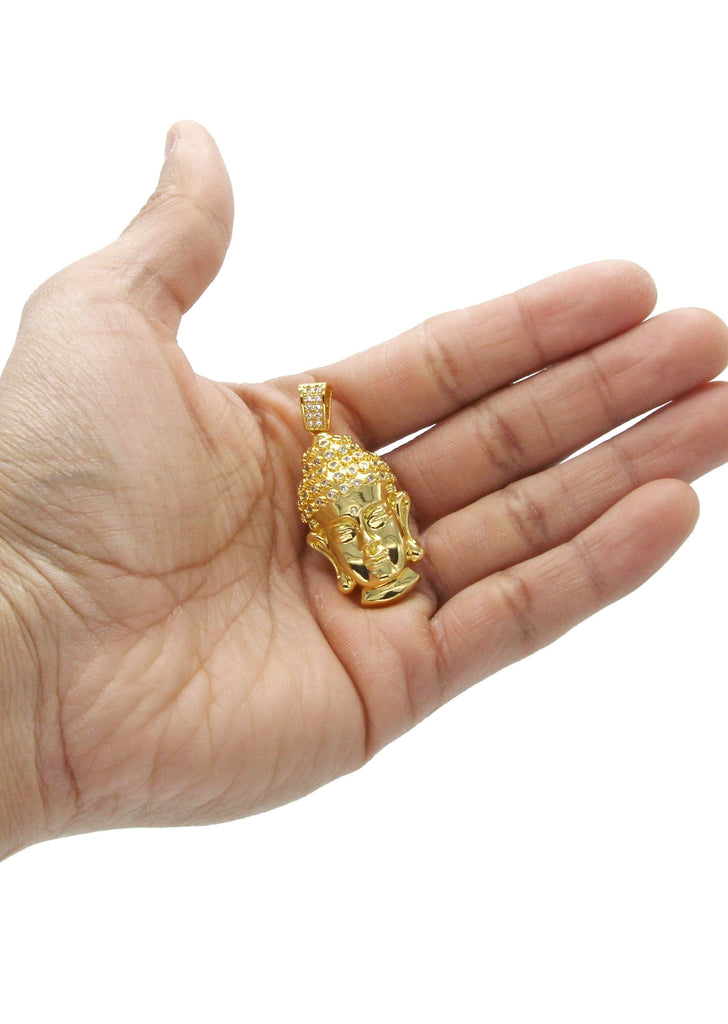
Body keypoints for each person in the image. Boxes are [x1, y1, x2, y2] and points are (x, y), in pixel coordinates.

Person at [0, 121, 726, 861]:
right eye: (349, 536)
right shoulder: (332, 539)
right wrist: (33, 610)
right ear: (326, 547)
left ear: (400, 521)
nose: (371, 543)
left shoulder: (378, 526)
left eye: (377, 526)